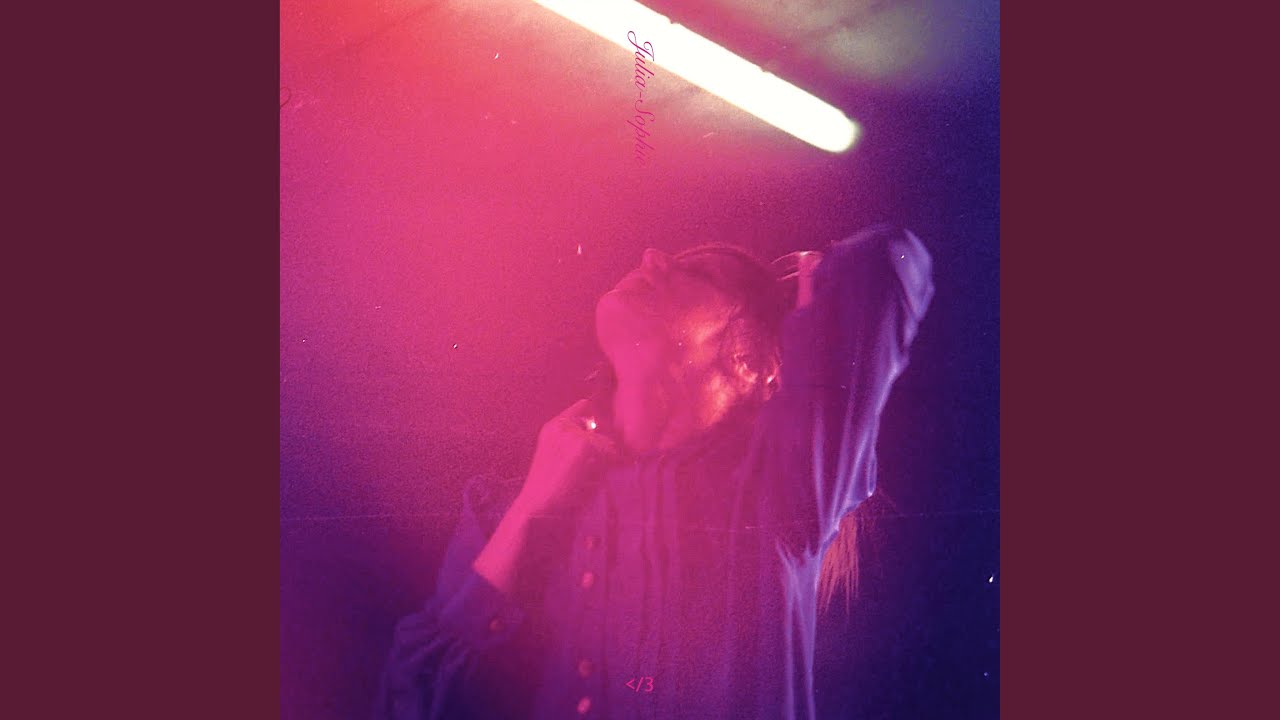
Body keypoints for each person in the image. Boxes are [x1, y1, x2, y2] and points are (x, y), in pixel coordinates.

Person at [374, 225, 934, 720]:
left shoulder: (776, 498)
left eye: (698, 274)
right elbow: (409, 700)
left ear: (753, 363)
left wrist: (813, 279)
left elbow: (887, 263)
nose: (651, 257)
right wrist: (528, 511)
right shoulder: (504, 508)